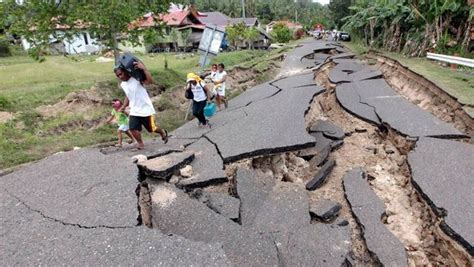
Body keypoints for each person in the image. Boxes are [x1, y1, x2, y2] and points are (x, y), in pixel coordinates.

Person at [114, 60, 168, 150]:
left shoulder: (136, 78)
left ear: (125, 71)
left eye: (121, 74)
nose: (120, 77)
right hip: (134, 109)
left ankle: (162, 132)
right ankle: (140, 144)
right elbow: (128, 95)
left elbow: (150, 82)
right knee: (132, 128)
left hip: (146, 109)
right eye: (118, 76)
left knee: (152, 129)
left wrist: (144, 69)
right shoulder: (123, 84)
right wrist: (124, 106)